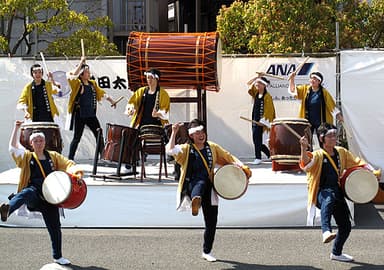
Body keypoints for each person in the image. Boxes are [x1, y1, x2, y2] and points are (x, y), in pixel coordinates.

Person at [166, 119, 251, 262]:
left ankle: (207, 251)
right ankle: (196, 201)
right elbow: (170, 150)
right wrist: (174, 132)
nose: (201, 135)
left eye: (202, 132)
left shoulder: (212, 147)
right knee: (199, 183)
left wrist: (243, 168)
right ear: (191, 135)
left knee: (211, 222)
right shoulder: (186, 149)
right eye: (197, 132)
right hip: (192, 185)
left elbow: (228, 157)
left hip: (210, 188)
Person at [0, 120, 83, 265]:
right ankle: (7, 209)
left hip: (50, 197)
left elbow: (68, 164)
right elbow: (13, 147)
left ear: (45, 142)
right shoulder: (27, 157)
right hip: (34, 195)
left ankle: (58, 256)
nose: (39, 143)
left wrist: (76, 173)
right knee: (27, 193)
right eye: (36, 141)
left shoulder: (53, 156)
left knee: (55, 227)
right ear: (31, 144)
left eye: (41, 140)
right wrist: (16, 127)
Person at [299, 122, 380, 262]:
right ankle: (325, 230)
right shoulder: (318, 155)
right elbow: (306, 165)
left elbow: (356, 161)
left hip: (337, 193)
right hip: (321, 194)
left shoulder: (341, 152)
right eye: (330, 136)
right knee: (328, 197)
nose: (334, 138)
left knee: (346, 226)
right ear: (322, 138)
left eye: (334, 135)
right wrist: (303, 148)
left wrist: (371, 171)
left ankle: (336, 253)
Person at [66, 56, 117, 160]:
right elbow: (71, 76)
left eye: (88, 72)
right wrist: (81, 62)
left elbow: (101, 93)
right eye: (87, 72)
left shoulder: (92, 84)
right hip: (80, 114)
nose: (89, 74)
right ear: (81, 74)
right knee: (77, 137)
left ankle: (103, 157)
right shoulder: (77, 84)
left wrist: (111, 100)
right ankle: (70, 159)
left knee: (99, 134)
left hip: (91, 114)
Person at [288, 71, 343, 144]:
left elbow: (331, 105)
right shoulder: (305, 89)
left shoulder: (324, 92)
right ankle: (308, 154)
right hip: (307, 121)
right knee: (306, 141)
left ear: (319, 81)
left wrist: (339, 116)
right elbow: (293, 91)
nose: (312, 80)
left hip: (321, 122)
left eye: (314, 79)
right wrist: (292, 79)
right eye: (311, 78)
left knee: (323, 141)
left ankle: (323, 154)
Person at [247, 76, 276, 165]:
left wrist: (263, 121)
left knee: (257, 139)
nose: (257, 84)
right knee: (256, 140)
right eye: (257, 83)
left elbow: (269, 110)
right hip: (254, 119)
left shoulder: (267, 96)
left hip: (261, 121)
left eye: (259, 83)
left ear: (264, 85)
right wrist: (256, 77)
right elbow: (249, 85)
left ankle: (258, 157)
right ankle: (269, 155)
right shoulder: (256, 93)